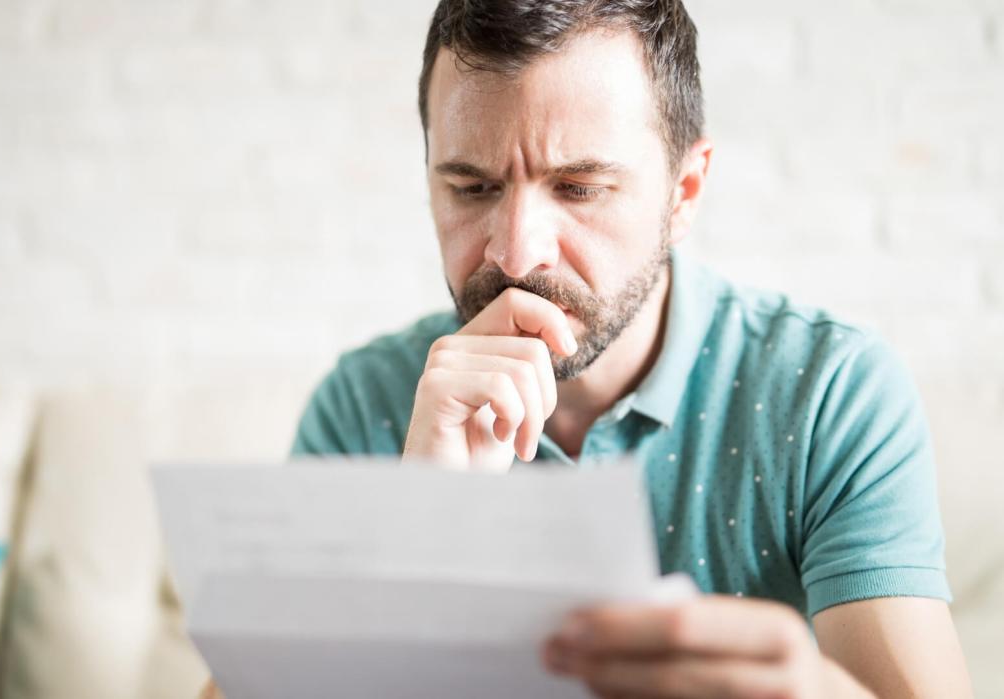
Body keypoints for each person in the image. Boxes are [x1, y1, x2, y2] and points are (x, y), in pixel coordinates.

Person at [276, 1, 979, 696]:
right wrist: (411, 534)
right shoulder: (362, 404)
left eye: (580, 187)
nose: (518, 253)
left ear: (685, 191)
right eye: (472, 186)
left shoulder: (829, 393)